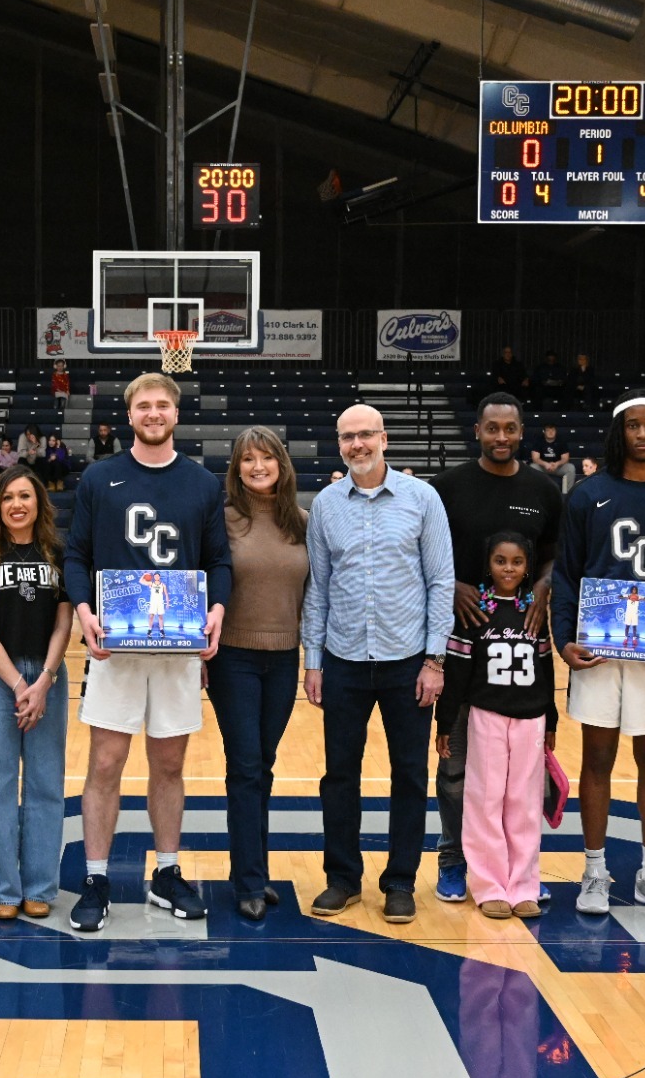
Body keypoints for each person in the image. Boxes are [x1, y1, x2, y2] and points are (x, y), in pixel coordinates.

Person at [64, 372, 232, 933]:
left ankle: (166, 871)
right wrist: (85, 612)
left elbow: (218, 562)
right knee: (106, 763)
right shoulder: (99, 477)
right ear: (130, 414)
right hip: (115, 646)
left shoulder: (203, 484)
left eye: (163, 405)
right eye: (144, 405)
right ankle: (95, 877)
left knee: (169, 764)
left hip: (178, 647)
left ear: (176, 414)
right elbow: (76, 556)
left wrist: (218, 609)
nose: (153, 413)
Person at [554, 391, 645, 919]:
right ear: (620, 434)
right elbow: (567, 573)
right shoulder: (587, 495)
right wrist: (562, 639)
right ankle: (594, 871)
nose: (643, 434)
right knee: (596, 760)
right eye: (634, 426)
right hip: (596, 650)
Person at [303, 403, 453, 925]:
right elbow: (318, 588)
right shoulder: (325, 504)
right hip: (343, 660)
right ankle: (342, 879)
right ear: (339, 444)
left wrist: (435, 659)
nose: (357, 445)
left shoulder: (423, 498)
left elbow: (441, 581)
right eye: (348, 437)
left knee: (409, 774)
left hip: (408, 661)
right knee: (339, 775)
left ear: (384, 438)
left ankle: (400, 882)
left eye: (366, 434)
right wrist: (313, 659)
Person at [430, 394, 562, 905]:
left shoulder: (543, 490)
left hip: (519, 638)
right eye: (492, 428)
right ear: (478, 431)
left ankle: (514, 870)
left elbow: (554, 557)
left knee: (516, 782)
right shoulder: (448, 488)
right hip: (460, 638)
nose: (502, 437)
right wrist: (454, 586)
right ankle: (453, 860)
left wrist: (544, 588)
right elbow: (428, 552)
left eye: (510, 428)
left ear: (522, 430)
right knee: (458, 767)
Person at [207, 427, 308, 921]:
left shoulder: (302, 523)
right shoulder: (221, 521)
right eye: (248, 459)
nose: (258, 466)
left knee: (263, 765)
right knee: (245, 766)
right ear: (236, 468)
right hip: (234, 659)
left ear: (282, 464)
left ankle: (255, 870)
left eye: (267, 457)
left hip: (284, 658)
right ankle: (247, 879)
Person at [0, 464, 72, 921]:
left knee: (46, 785)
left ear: (39, 504)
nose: (16, 505)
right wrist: (17, 683)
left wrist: (44, 678)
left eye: (25, 496)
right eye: (7, 497)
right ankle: (5, 890)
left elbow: (64, 620)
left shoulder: (58, 552)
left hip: (47, 673)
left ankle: (41, 886)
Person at [435, 531, 557, 919]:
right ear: (488, 565)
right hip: (485, 715)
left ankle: (523, 885)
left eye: (517, 562)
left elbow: (546, 669)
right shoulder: (474, 611)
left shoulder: (534, 610)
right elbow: (456, 672)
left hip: (531, 718)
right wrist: (445, 719)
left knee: (524, 802)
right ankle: (488, 884)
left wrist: (551, 718)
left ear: (528, 567)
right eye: (500, 561)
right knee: (485, 801)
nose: (508, 568)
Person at [526, 419, 575, 495]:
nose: (551, 432)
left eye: (553, 430)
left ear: (556, 431)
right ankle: (534, 494)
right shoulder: (539, 441)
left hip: (557, 467)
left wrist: (557, 464)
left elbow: (565, 458)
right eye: (548, 430)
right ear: (544, 432)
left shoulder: (561, 441)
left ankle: (569, 495)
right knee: (532, 467)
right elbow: (535, 458)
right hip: (543, 467)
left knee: (571, 468)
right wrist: (545, 464)